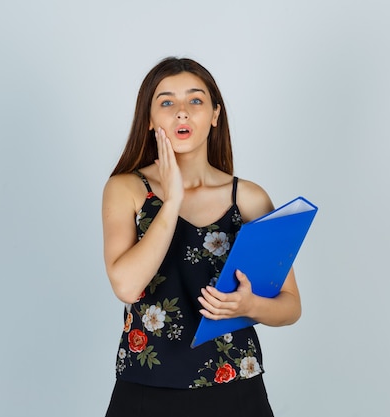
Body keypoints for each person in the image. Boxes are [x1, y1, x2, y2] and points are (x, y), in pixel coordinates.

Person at [102, 57, 301, 417]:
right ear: (149, 119)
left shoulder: (250, 198)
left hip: (235, 387)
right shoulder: (126, 189)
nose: (182, 112)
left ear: (214, 114)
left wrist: (249, 306)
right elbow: (127, 286)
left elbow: (290, 306)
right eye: (167, 102)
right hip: (147, 386)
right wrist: (173, 199)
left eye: (195, 100)